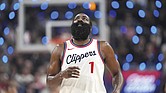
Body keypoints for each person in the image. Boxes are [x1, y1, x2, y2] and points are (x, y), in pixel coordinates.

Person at [46, 13, 123, 93]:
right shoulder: (60, 49)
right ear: (72, 26)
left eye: (84, 19)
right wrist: (61, 75)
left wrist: (116, 90)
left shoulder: (103, 47)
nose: (80, 19)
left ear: (90, 28)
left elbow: (117, 73)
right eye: (77, 18)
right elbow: (49, 83)